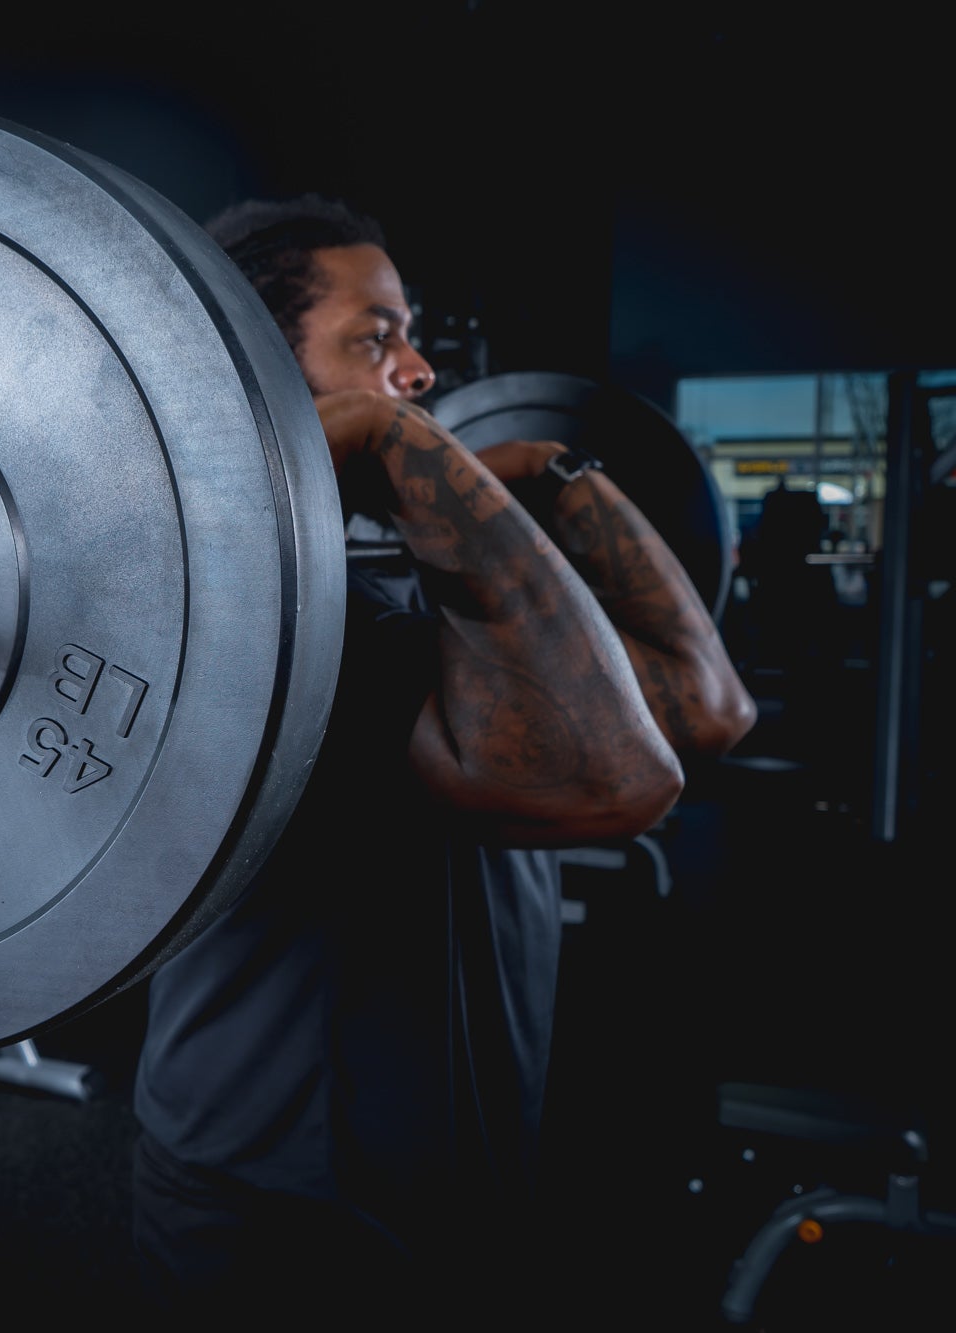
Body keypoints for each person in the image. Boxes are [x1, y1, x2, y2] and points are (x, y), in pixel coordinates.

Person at [131, 195, 757, 1321]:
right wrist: (383, 438)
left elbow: (709, 709)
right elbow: (624, 781)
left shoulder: (390, 599)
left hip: (446, 1157)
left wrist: (561, 474)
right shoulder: (277, 628)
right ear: (262, 370)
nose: (417, 371)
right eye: (375, 341)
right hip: (289, 1205)